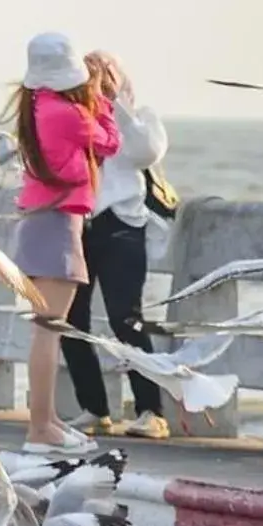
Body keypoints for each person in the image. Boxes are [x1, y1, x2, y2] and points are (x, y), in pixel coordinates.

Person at [8, 32, 120, 457]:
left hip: (43, 223)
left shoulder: (39, 106)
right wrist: (104, 99)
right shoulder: (68, 114)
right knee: (48, 332)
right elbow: (111, 142)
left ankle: (48, 421)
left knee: (47, 330)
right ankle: (40, 428)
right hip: (57, 225)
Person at [62, 50, 170, 441]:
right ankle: (94, 408)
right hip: (78, 225)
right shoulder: (75, 122)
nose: (97, 85)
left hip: (122, 226)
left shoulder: (141, 120)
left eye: (104, 77)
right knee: (70, 321)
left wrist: (116, 104)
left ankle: (150, 411)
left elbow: (145, 153)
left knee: (126, 318)